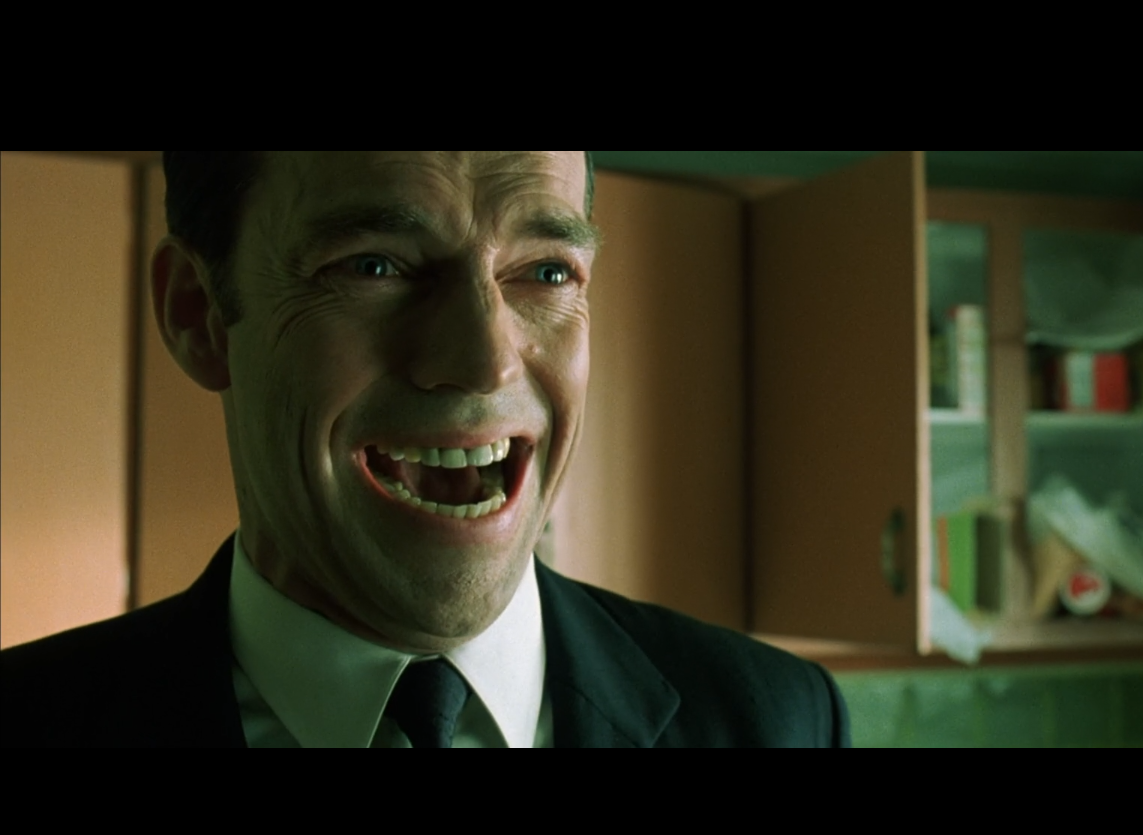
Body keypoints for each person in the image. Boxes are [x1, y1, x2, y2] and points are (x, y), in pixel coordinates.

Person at [1, 151, 851, 748]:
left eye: (547, 271)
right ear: (199, 314)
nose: (486, 359)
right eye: (376, 266)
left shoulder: (780, 722)